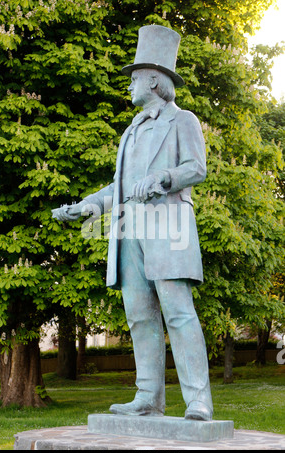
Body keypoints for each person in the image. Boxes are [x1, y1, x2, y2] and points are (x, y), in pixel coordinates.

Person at [52, 25, 213, 421]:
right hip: (130, 234)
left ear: (154, 80)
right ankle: (147, 398)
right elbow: (118, 188)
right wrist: (85, 206)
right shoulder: (130, 133)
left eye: (134, 78)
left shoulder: (183, 121)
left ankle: (198, 400)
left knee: (177, 311)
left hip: (169, 227)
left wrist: (162, 179)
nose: (129, 86)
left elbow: (196, 168)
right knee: (139, 315)